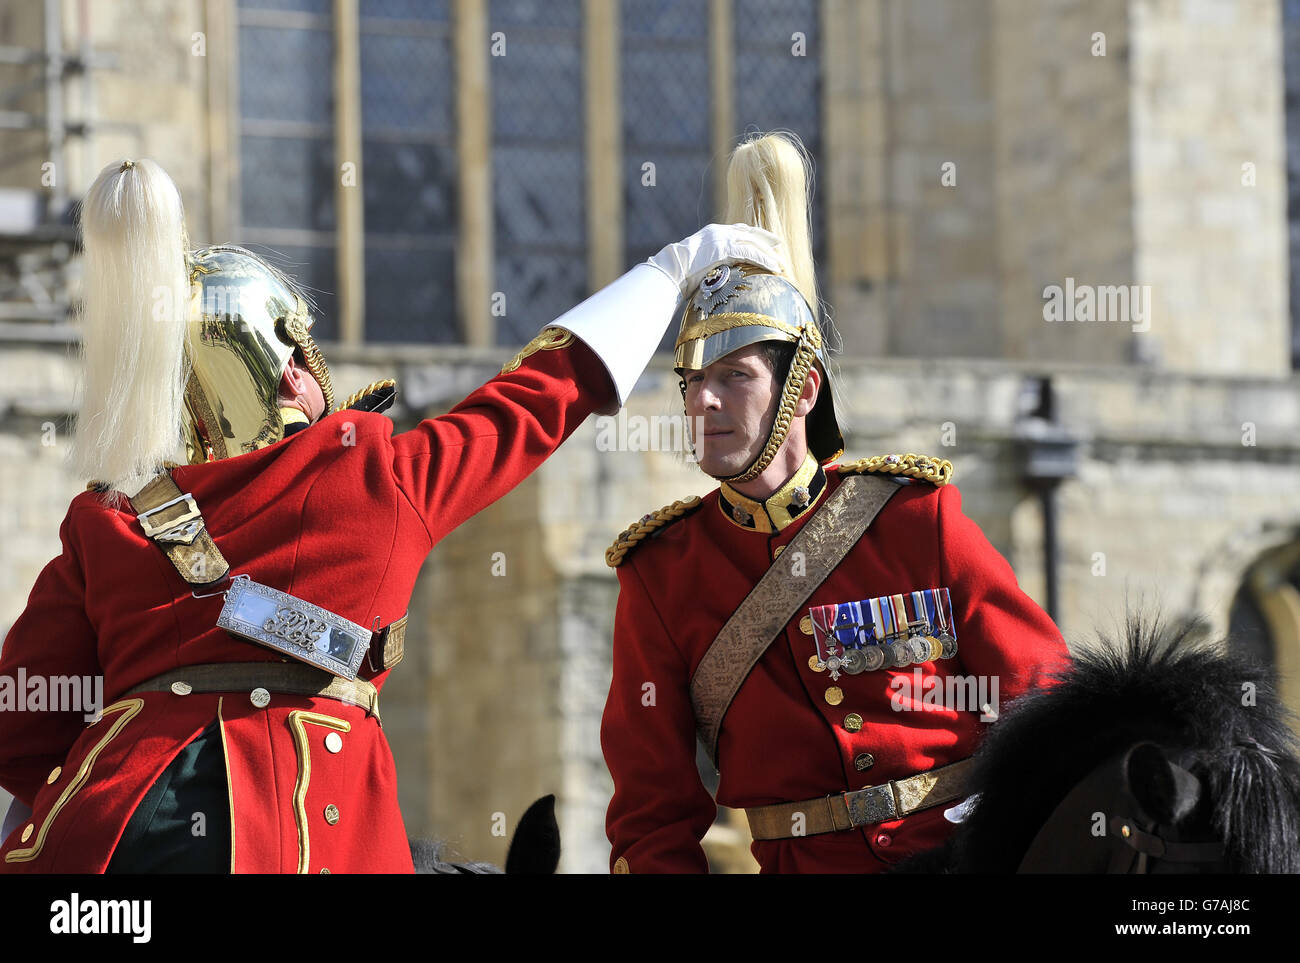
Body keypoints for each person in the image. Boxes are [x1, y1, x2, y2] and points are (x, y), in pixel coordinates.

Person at [0, 157, 782, 873]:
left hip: (99, 849)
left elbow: (24, 723)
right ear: (288, 376)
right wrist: (668, 271)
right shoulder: (370, 480)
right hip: (297, 839)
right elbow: (537, 397)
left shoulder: (109, 521)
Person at [600, 132, 1070, 873]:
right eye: (693, 381)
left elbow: (1046, 701)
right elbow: (651, 814)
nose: (706, 400)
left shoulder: (913, 516)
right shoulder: (660, 573)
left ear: (803, 388)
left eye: (736, 375)